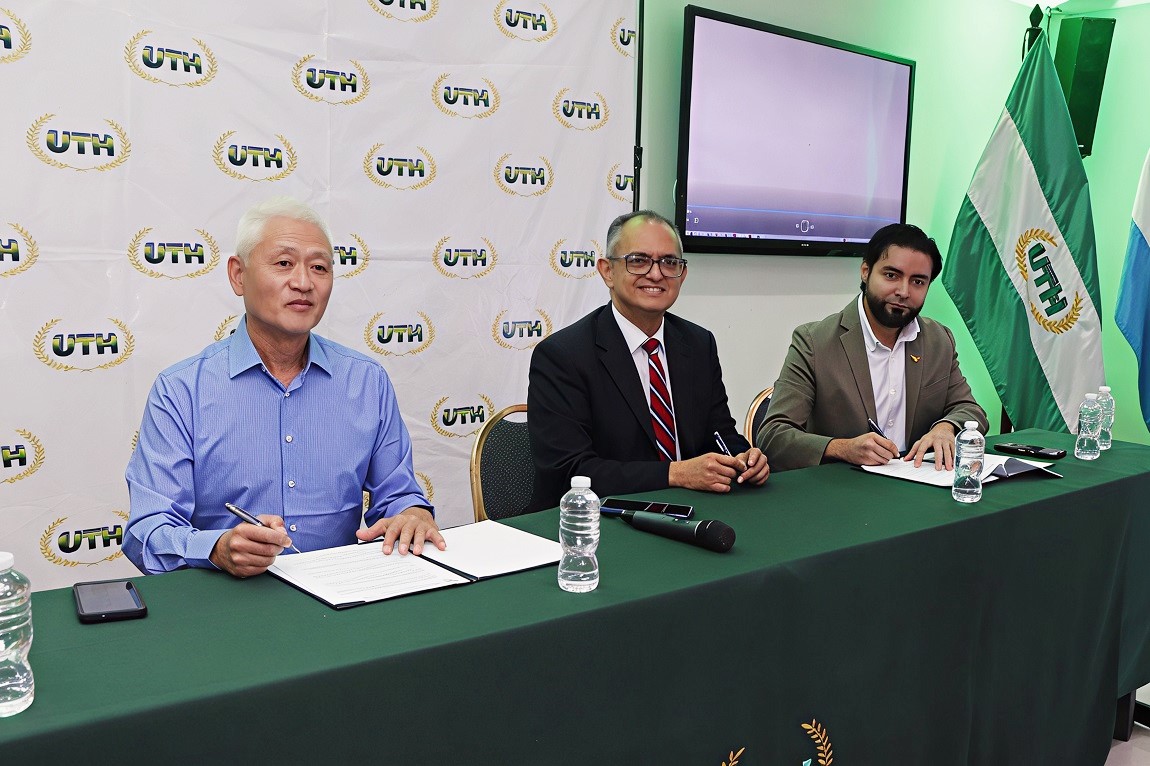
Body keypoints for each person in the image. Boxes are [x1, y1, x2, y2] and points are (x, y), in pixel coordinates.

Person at [124, 197, 442, 577]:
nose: (303, 283)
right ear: (238, 276)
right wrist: (216, 548)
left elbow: (399, 496)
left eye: (319, 267)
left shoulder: (366, 381)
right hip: (227, 598)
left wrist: (413, 514)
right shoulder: (180, 391)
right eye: (284, 263)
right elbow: (148, 531)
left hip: (340, 595)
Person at [527, 210, 769, 512]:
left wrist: (744, 458)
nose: (656, 274)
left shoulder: (698, 343)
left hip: (690, 512)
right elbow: (569, 471)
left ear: (682, 274)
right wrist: (676, 474)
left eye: (669, 262)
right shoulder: (562, 355)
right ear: (607, 271)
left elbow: (719, 433)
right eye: (639, 260)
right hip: (598, 519)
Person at [756, 223, 988, 472]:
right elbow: (773, 435)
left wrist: (946, 427)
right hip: (844, 485)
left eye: (918, 281)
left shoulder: (938, 340)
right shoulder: (814, 342)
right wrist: (842, 448)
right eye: (891, 276)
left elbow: (970, 410)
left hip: (918, 483)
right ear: (865, 271)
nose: (903, 291)